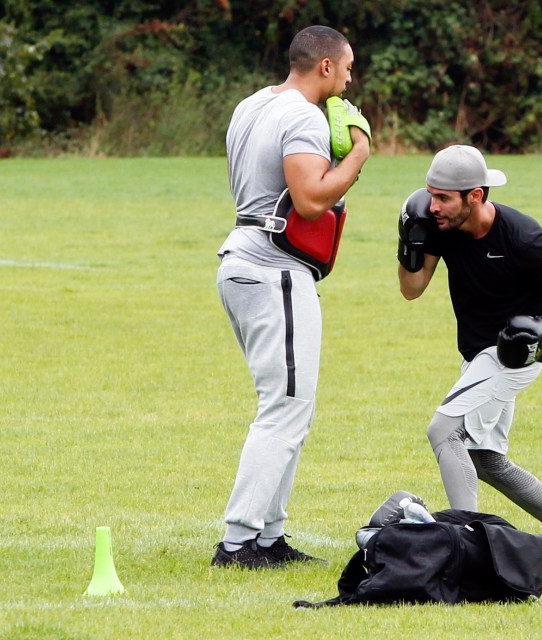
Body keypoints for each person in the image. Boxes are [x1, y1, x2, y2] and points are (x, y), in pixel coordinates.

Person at [396, 145, 542, 562]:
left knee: (442, 430)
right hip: (478, 357)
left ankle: (466, 549)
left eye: (443, 198)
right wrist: (409, 243)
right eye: (430, 194)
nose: (432, 206)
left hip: (514, 357)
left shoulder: (523, 235)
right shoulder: (440, 226)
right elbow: (411, 289)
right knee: (486, 460)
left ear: (475, 195)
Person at [212, 25, 371, 569]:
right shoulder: (304, 115)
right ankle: (238, 543)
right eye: (347, 69)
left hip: (242, 259)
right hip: (274, 266)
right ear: (324, 66)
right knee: (285, 408)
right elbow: (309, 200)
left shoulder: (252, 104)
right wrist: (359, 156)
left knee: (289, 405)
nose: (350, 81)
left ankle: (269, 536)